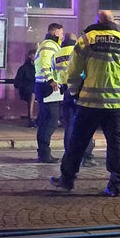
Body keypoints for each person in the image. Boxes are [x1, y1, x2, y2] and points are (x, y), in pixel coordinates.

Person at [50, 10, 120, 197]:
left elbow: (73, 71)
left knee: (78, 142)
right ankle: (116, 184)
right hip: (118, 103)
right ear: (114, 22)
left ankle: (67, 179)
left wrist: (74, 93)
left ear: (97, 21)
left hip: (90, 102)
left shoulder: (87, 39)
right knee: (115, 143)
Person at [52, 33, 96, 167]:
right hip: (81, 90)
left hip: (66, 91)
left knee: (69, 125)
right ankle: (87, 156)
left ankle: (69, 154)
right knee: (86, 124)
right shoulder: (78, 51)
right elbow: (84, 70)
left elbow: (54, 74)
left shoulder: (57, 53)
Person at [33, 23, 64, 163]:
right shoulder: (49, 45)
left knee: (46, 121)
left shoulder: (47, 44)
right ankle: (44, 153)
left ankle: (43, 153)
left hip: (43, 86)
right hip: (48, 88)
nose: (62, 36)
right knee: (51, 120)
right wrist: (51, 80)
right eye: (61, 33)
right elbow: (45, 64)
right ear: (56, 33)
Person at [13, 49, 36, 127]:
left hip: (36, 89)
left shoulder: (39, 67)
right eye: (34, 55)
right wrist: (23, 86)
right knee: (32, 95)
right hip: (27, 90)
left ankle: (40, 119)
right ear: (30, 56)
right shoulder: (24, 68)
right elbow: (17, 81)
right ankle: (31, 118)